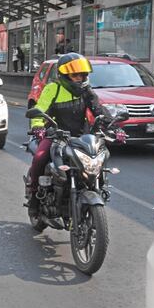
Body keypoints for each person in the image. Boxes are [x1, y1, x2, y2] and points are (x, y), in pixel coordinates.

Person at [25, 53, 118, 216]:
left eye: (83, 74)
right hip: (56, 135)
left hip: (81, 138)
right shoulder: (53, 89)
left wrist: (113, 126)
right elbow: (40, 111)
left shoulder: (86, 91)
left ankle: (98, 188)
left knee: (100, 158)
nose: (80, 78)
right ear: (65, 75)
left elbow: (99, 110)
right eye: (76, 75)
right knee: (40, 157)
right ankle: (33, 195)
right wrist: (38, 127)